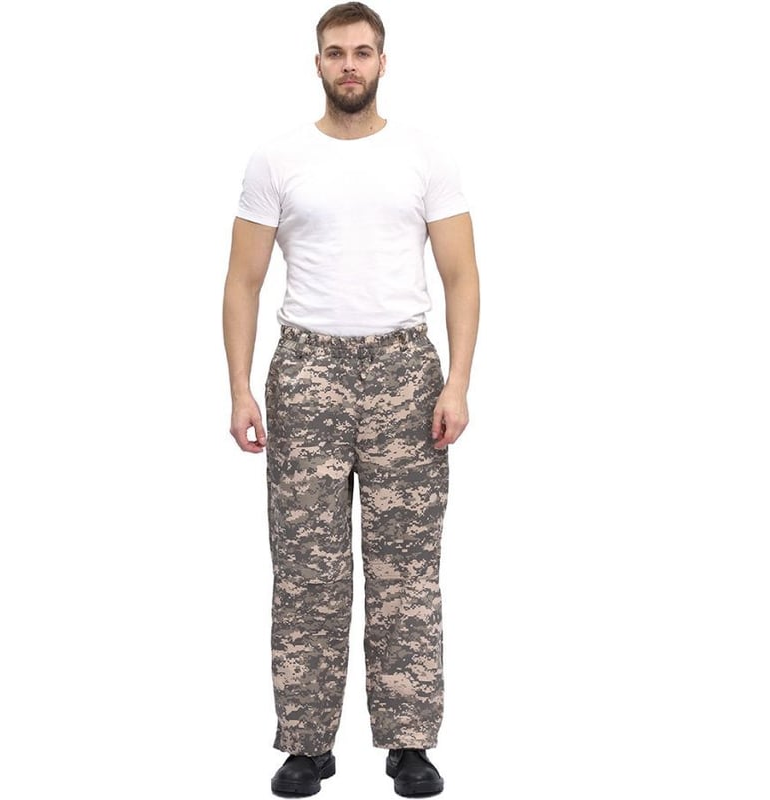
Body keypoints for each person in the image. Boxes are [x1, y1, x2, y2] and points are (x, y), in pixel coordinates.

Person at [222, 3, 479, 796]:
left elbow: (462, 274)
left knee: (405, 568)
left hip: (405, 371)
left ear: (382, 61)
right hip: (307, 371)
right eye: (336, 53)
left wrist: (458, 382)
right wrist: (239, 387)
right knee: (308, 569)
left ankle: (409, 743)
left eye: (362, 52)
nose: (349, 66)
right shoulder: (278, 159)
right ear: (318, 63)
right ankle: (307, 745)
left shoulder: (424, 155)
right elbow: (243, 280)